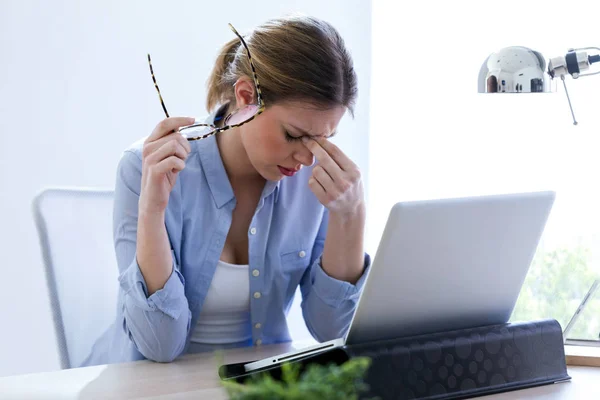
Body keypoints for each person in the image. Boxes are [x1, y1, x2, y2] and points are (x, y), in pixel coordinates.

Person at [83, 14, 370, 366]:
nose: (307, 156)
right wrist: (153, 210)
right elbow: (158, 346)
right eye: (294, 135)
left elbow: (333, 330)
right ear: (246, 96)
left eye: (324, 139)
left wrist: (351, 216)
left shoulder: (319, 182)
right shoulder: (147, 169)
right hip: (153, 387)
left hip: (262, 386)